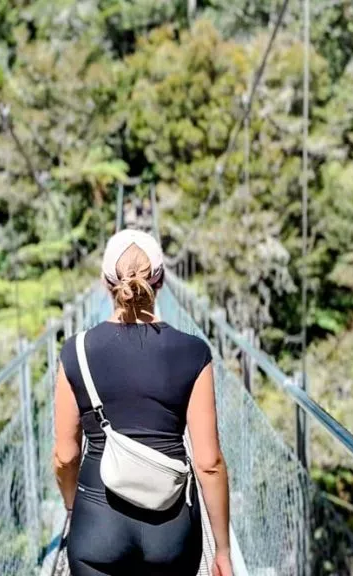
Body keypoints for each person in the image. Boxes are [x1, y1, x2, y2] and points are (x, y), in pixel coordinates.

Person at [53, 229, 233, 576]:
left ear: (107, 284)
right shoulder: (194, 352)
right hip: (171, 529)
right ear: (161, 280)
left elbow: (66, 456)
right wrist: (222, 549)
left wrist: (76, 507)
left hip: (97, 526)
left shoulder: (74, 351)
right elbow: (209, 462)